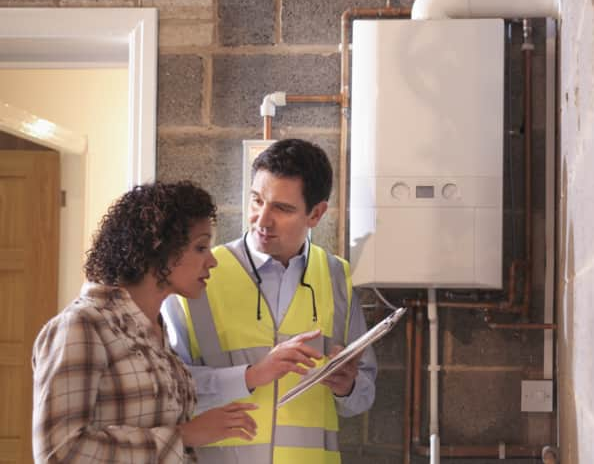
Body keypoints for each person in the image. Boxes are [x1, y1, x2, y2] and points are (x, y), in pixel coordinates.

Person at [161, 138, 376, 463]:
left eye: (282, 208)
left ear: (316, 213)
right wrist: (250, 375)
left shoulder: (338, 279)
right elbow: (166, 389)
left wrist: (347, 386)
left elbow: (363, 396)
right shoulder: (197, 274)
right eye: (257, 201)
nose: (262, 220)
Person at [32, 181, 259, 464]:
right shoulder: (82, 326)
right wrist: (183, 436)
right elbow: (59, 452)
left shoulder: (157, 334)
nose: (212, 261)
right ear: (160, 248)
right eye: (201, 247)